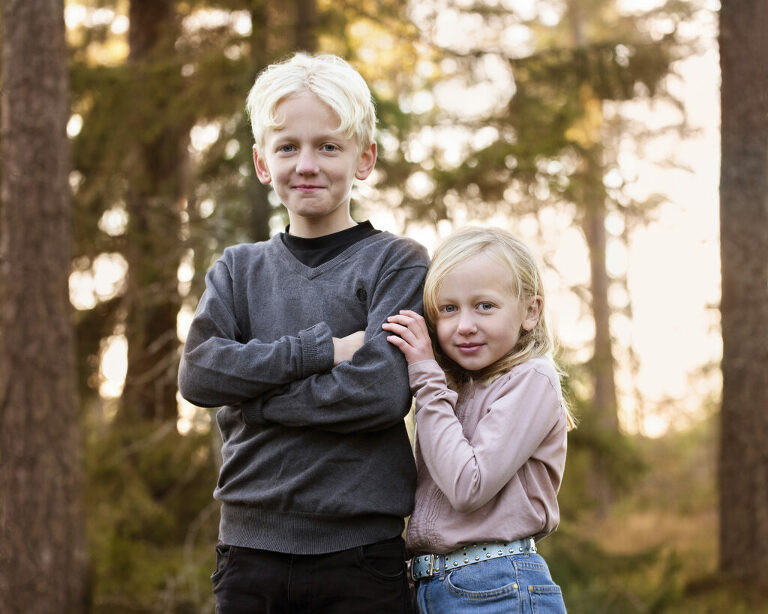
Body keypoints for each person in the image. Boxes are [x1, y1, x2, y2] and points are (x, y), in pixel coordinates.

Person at [178, 52, 429, 613]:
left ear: (363, 160)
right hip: (248, 555)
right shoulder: (237, 270)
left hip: (362, 556)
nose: (307, 164)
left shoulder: (398, 264)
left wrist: (253, 400)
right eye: (288, 147)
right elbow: (199, 372)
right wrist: (322, 350)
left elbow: (380, 393)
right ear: (263, 162)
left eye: (328, 147)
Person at [382, 227, 576, 614]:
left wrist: (425, 377)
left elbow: (468, 486)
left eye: (485, 306)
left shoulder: (532, 378)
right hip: (432, 588)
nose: (464, 325)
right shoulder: (456, 386)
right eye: (448, 309)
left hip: (497, 586)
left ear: (530, 311)